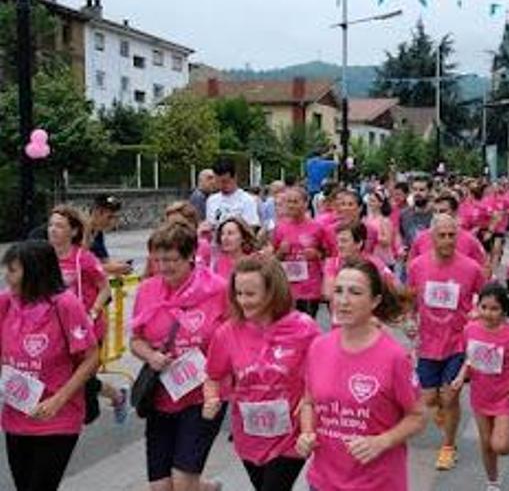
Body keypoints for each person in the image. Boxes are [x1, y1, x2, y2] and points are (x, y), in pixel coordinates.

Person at [296, 259, 427, 490]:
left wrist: (382, 442)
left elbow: (418, 417)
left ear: (374, 301)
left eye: (355, 293)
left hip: (377, 483)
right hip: (323, 481)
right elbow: (308, 402)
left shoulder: (394, 357)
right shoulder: (318, 347)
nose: (343, 301)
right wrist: (307, 433)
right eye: (338, 291)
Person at [203, 257, 320, 491]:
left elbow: (323, 373)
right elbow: (212, 376)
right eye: (239, 293)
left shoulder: (304, 329)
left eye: (251, 294)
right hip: (249, 435)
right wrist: (211, 398)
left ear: (272, 292)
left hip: (291, 436)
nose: (243, 301)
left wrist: (310, 402)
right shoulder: (227, 332)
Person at [130, 222, 228, 491]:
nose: (164, 267)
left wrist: (216, 365)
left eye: (171, 259)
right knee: (161, 486)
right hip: (162, 396)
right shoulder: (147, 289)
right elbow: (135, 341)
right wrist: (151, 356)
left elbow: (238, 336)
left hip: (203, 396)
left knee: (183, 482)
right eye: (158, 259)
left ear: (190, 256)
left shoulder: (218, 289)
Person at [0, 240, 100, 491]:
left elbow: (90, 358)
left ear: (34, 271)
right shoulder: (5, 302)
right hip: (17, 415)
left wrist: (57, 400)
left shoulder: (65, 305)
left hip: (58, 418)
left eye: (13, 270)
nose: (6, 277)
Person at [408, 214, 486, 471]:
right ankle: (441, 408)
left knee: (450, 396)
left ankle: (448, 446)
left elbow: (485, 300)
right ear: (431, 237)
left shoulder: (471, 269)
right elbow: (410, 298)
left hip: (458, 343)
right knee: (429, 399)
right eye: (441, 235)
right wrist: (409, 320)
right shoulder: (417, 265)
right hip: (428, 342)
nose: (447, 240)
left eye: (452, 235)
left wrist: (478, 314)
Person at [451, 283, 509, 491]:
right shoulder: (470, 330)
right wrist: (460, 377)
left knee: (501, 446)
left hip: (505, 397)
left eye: (494, 309)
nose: (488, 313)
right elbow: (470, 358)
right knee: (486, 443)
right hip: (480, 396)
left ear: (504, 309)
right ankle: (492, 482)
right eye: (484, 307)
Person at [48, 205, 127, 424]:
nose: (53, 230)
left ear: (73, 232)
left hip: (87, 328)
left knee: (82, 378)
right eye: (51, 224)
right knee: (67, 376)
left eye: (59, 226)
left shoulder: (84, 258)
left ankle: (117, 396)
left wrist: (92, 312)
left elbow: (105, 289)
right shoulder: (44, 258)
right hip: (56, 329)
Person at [272, 187, 336, 317]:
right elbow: (273, 259)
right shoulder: (280, 228)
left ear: (306, 203)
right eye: (288, 202)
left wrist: (316, 254)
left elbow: (330, 254)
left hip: (310, 288)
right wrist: (281, 252)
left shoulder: (318, 227)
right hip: (287, 288)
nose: (291, 205)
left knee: (307, 327)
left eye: (295, 202)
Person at [205, 159, 260, 228]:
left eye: (225, 181)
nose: (222, 185)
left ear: (234, 177)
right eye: (218, 182)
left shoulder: (247, 200)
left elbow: (252, 226)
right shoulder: (212, 200)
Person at [210, 217, 257, 281]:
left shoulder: (253, 261)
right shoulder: (217, 262)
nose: (225, 238)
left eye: (230, 233)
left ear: (243, 237)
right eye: (222, 234)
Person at [399, 176, 434, 250]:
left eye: (422, 190)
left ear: (429, 191)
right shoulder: (404, 214)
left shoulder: (436, 214)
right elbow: (403, 238)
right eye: (415, 189)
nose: (417, 193)